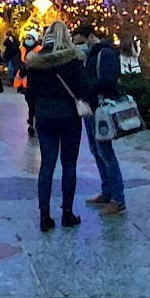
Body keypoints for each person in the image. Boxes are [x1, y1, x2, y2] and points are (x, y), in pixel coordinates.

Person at [22, 20, 97, 232]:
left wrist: (36, 110)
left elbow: (29, 93)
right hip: (69, 117)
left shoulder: (35, 62)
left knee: (47, 165)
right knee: (69, 164)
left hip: (45, 117)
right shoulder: (73, 60)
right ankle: (67, 213)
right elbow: (85, 89)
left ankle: (44, 214)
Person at [78, 21, 127, 215]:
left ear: (90, 36)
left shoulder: (106, 54)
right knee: (96, 150)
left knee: (105, 152)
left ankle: (118, 199)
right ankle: (107, 191)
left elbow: (108, 80)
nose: (79, 46)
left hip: (102, 108)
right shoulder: (90, 55)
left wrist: (87, 86)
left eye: (80, 41)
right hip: (90, 109)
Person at [19, 29, 42, 136]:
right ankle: (32, 123)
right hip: (26, 82)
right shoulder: (23, 49)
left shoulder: (39, 50)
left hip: (35, 81)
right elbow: (19, 61)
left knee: (34, 105)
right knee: (30, 104)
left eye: (30, 38)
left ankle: (34, 124)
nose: (27, 40)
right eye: (27, 38)